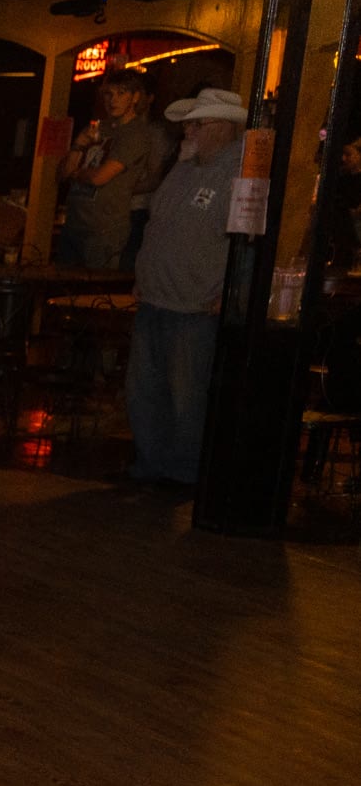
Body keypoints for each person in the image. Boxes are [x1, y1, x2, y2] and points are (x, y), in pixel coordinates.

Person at [123, 89, 245, 488]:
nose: (188, 131)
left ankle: (184, 471)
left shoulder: (239, 174)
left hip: (195, 304)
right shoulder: (184, 168)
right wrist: (144, 275)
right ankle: (151, 462)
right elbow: (158, 226)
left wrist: (230, 291)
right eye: (188, 124)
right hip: (156, 296)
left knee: (187, 393)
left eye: (197, 124)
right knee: (145, 389)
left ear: (224, 127)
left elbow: (248, 242)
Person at [55, 75, 167, 271]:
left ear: (135, 97)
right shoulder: (97, 128)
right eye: (108, 94)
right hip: (74, 222)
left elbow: (100, 177)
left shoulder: (136, 133)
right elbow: (62, 174)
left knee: (94, 284)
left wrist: (77, 173)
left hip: (103, 229)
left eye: (121, 93)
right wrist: (78, 145)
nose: (113, 100)